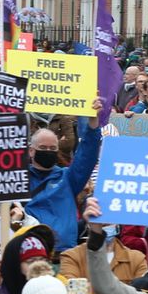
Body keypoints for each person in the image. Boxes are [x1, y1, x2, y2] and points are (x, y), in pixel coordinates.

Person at [26, 98, 104, 252]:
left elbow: (87, 155)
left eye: (52, 148)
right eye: (43, 147)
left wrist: (93, 122)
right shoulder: (18, 180)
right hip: (31, 253)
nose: (48, 151)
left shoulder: (67, 178)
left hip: (65, 253)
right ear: (31, 151)